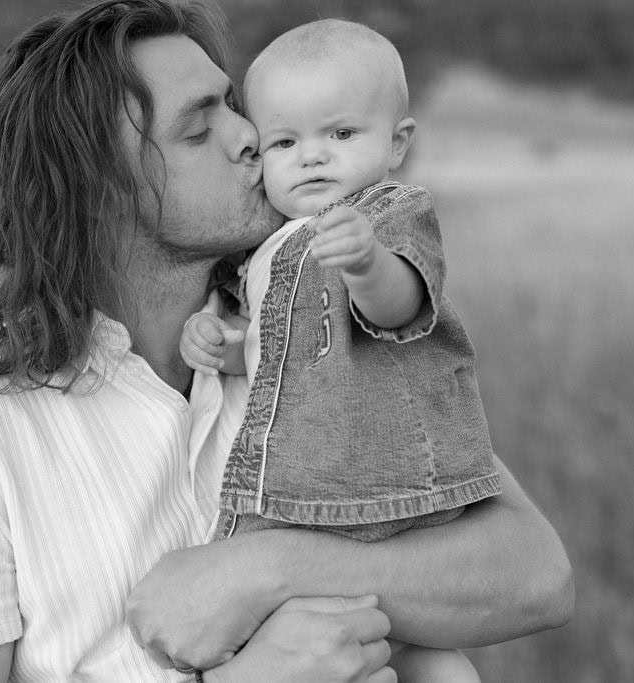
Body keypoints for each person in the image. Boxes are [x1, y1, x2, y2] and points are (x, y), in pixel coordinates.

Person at [0, 1, 574, 681]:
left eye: (233, 106)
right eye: (199, 130)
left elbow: (537, 574)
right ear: (96, 190)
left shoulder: (308, 329)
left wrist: (273, 568)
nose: (250, 136)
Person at [177, 18, 498, 681]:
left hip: (373, 485)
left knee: (393, 638)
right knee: (374, 646)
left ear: (397, 143)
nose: (313, 157)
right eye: (285, 142)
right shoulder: (263, 248)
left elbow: (402, 308)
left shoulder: (386, 214)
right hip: (306, 494)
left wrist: (368, 265)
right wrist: (225, 348)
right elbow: (276, 357)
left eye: (342, 134)